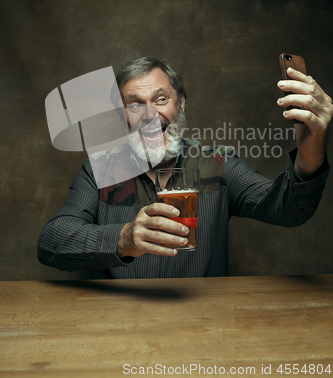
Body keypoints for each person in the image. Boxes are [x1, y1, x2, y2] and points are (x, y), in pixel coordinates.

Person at [38, 57, 332, 278]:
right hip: (121, 326)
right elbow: (52, 241)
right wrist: (124, 238)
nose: (150, 115)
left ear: (181, 106)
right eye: (135, 105)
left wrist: (311, 149)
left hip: (204, 326)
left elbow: (289, 210)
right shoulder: (100, 169)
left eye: (161, 99)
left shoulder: (218, 163)